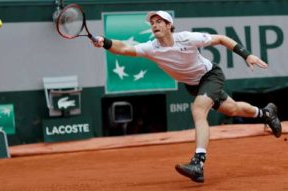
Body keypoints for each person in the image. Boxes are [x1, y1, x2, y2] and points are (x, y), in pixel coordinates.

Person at [92, 11, 282, 183]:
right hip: (193, 85)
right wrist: (104, 42)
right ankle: (266, 113)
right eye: (152, 23)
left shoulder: (187, 38)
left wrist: (247, 55)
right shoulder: (151, 48)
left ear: (169, 26)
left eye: (160, 21)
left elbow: (222, 39)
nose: (155, 25)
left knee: (198, 110)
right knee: (232, 109)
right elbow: (124, 48)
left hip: (210, 76)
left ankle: (198, 163)